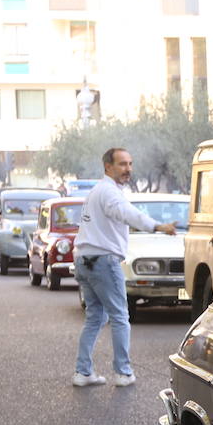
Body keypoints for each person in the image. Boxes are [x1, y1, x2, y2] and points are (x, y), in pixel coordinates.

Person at [72, 148, 177, 387]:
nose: (128, 169)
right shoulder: (109, 192)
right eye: (122, 164)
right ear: (108, 166)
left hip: (85, 259)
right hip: (103, 261)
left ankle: (83, 372)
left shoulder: (98, 191)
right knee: (120, 316)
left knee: (95, 318)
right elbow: (127, 213)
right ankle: (123, 372)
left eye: (130, 163)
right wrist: (157, 226)